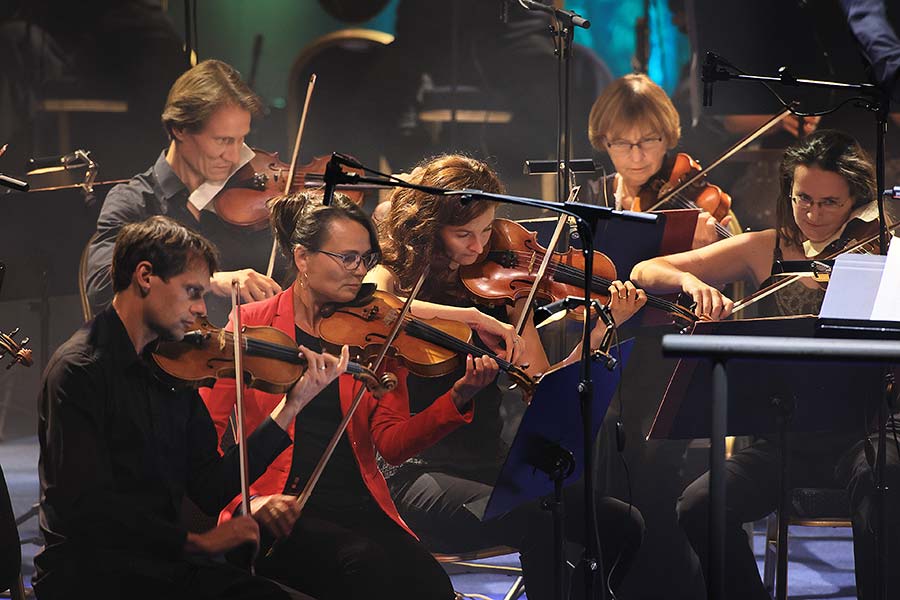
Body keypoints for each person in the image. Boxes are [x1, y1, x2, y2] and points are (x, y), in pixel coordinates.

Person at [630, 129, 900, 599]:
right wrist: (693, 285)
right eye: (803, 199)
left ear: (857, 200)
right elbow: (646, 271)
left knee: (884, 480)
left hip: (867, 431)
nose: (813, 215)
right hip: (784, 436)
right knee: (699, 505)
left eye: (830, 203)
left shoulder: (881, 249)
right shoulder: (764, 248)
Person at [366, 153, 647, 600]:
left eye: (485, 230)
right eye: (463, 234)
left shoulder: (499, 290)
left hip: (487, 464)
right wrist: (469, 317)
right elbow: (376, 309)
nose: (479, 247)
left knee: (621, 523)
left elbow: (542, 386)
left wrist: (599, 329)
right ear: (427, 228)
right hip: (413, 473)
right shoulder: (393, 274)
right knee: (541, 522)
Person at [200, 191, 500, 600]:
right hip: (276, 510)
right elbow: (206, 441)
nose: (359, 271)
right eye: (347, 258)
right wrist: (250, 500)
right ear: (303, 258)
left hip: (359, 502)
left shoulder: (373, 336)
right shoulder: (250, 324)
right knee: (363, 568)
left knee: (430, 585)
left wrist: (458, 399)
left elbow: (393, 445)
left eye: (366, 259)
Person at [35, 216, 321, 600]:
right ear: (145, 276)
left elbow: (207, 487)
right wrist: (196, 543)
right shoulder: (78, 370)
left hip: (164, 566)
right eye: (191, 291)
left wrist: (291, 406)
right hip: (95, 575)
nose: (200, 309)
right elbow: (88, 509)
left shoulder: (173, 365)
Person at [85, 59, 284, 323]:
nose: (236, 156)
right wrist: (208, 281)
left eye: (241, 140)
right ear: (179, 129)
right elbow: (102, 289)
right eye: (223, 140)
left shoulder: (243, 201)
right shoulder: (135, 202)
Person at [586, 72, 740, 250]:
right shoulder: (592, 199)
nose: (636, 157)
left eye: (649, 140)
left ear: (667, 137)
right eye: (621, 143)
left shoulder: (703, 204)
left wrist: (708, 254)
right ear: (604, 142)